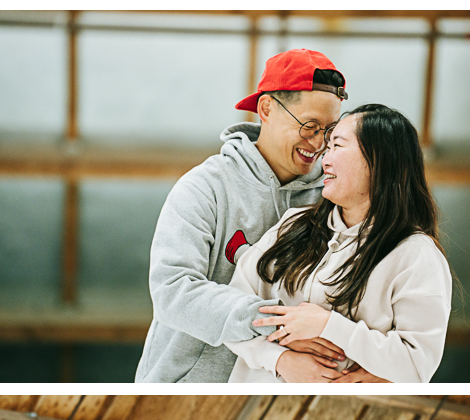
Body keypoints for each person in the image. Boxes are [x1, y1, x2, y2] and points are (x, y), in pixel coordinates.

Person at [135, 48, 351, 383]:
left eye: (330, 131)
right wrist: (279, 323)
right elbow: (173, 291)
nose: (318, 143)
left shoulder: (333, 198)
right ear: (266, 109)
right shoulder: (206, 188)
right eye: (309, 126)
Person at [223, 105, 453, 383]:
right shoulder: (292, 224)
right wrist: (279, 359)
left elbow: (417, 364)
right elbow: (232, 309)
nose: (324, 160)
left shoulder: (415, 254)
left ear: (378, 160)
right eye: (327, 148)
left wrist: (329, 326)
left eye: (338, 146)